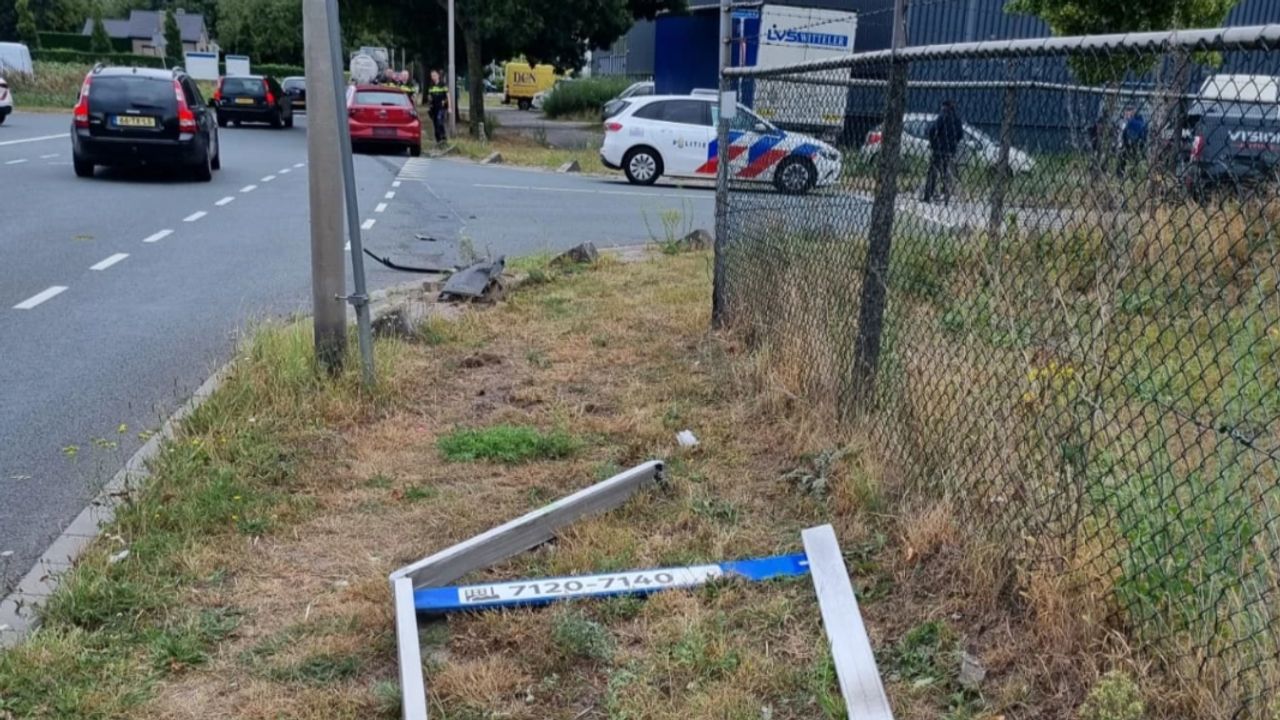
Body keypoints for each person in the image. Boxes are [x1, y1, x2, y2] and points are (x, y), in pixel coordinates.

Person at [922, 100, 965, 204]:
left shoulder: (943, 116)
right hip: (951, 150)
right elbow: (960, 135)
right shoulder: (957, 120)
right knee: (945, 172)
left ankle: (928, 195)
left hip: (939, 149)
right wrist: (953, 143)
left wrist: (933, 143)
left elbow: (932, 130)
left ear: (945, 107)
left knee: (933, 171)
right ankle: (946, 193)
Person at [1115, 105, 1147, 177]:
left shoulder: (1138, 121)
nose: (1128, 112)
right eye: (1127, 110)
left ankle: (1133, 175)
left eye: (1130, 110)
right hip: (1124, 145)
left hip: (1134, 145)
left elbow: (1141, 134)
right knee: (1122, 159)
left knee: (1133, 160)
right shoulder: (1122, 121)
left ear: (1134, 111)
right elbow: (1119, 133)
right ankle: (1120, 174)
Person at [427, 69, 450, 146]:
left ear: (438, 76)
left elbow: (448, 96)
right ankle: (438, 141)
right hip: (434, 108)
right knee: (435, 124)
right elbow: (429, 96)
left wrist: (449, 107)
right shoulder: (431, 85)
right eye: (432, 76)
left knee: (440, 121)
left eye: (434, 75)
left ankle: (444, 138)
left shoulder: (443, 84)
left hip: (441, 107)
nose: (433, 77)